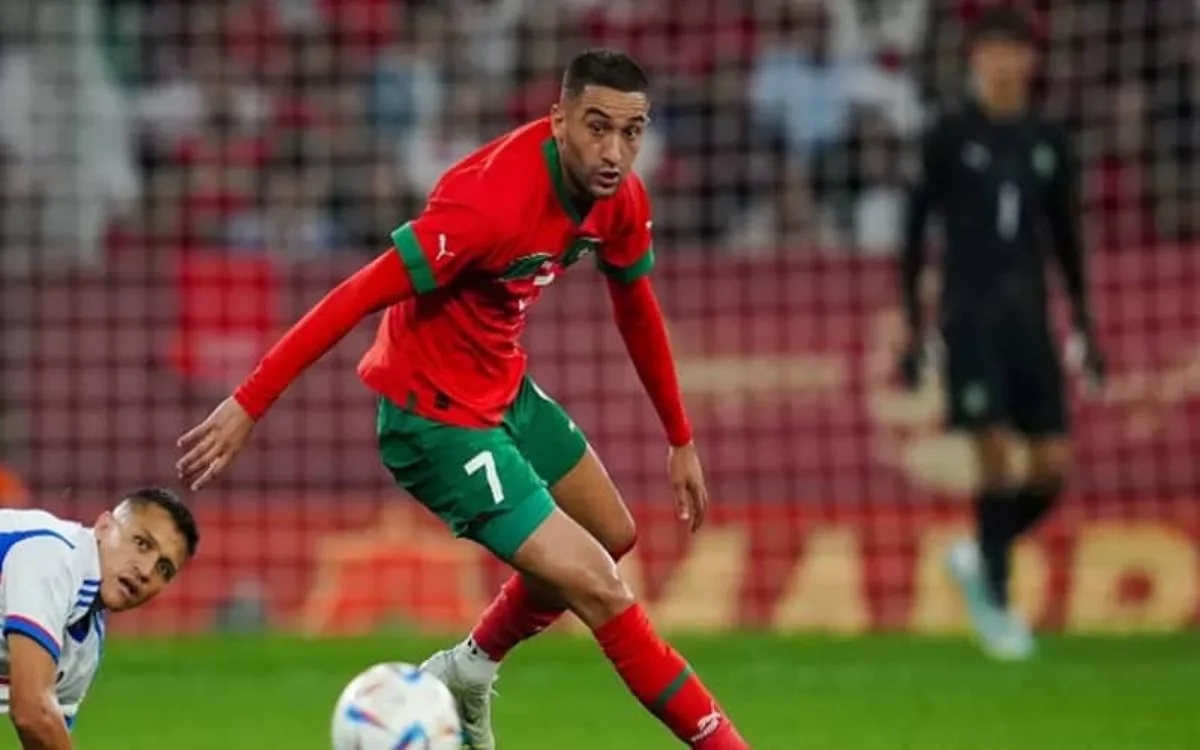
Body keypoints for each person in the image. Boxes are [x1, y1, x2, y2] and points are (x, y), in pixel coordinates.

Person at [176, 49, 749, 749]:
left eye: (632, 132)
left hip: (501, 384)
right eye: (597, 127)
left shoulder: (621, 199)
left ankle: (469, 667)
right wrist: (249, 402)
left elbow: (636, 306)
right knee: (600, 586)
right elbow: (355, 295)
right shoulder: (488, 204)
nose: (614, 152)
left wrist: (679, 436)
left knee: (611, 535)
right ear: (559, 120)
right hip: (431, 417)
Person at [898, 8, 1105, 660]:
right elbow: (914, 231)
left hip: (1030, 319)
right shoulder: (949, 135)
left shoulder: (1047, 139)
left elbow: (1067, 239)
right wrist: (912, 326)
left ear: (1030, 61)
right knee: (991, 451)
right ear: (975, 60)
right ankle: (997, 601)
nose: (1003, 62)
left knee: (1052, 466)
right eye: (991, 51)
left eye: (1013, 51)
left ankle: (980, 552)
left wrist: (1085, 322)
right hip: (970, 318)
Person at [3, 487, 200, 748]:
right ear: (104, 526)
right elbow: (32, 713)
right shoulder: (54, 557)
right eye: (141, 543)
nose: (145, 571)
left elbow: (45, 737)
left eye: (163, 569)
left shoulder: (86, 647)